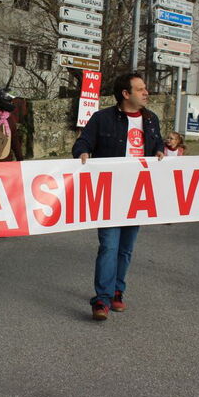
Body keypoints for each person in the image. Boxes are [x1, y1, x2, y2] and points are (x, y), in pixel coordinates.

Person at [72, 72, 164, 320]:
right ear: (126, 94)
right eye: (141, 89)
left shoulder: (151, 120)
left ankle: (117, 292)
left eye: (145, 89)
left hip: (138, 194)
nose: (146, 93)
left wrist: (159, 151)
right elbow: (82, 144)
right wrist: (83, 154)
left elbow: (158, 145)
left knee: (125, 249)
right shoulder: (102, 119)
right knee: (109, 246)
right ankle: (101, 299)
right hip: (110, 194)